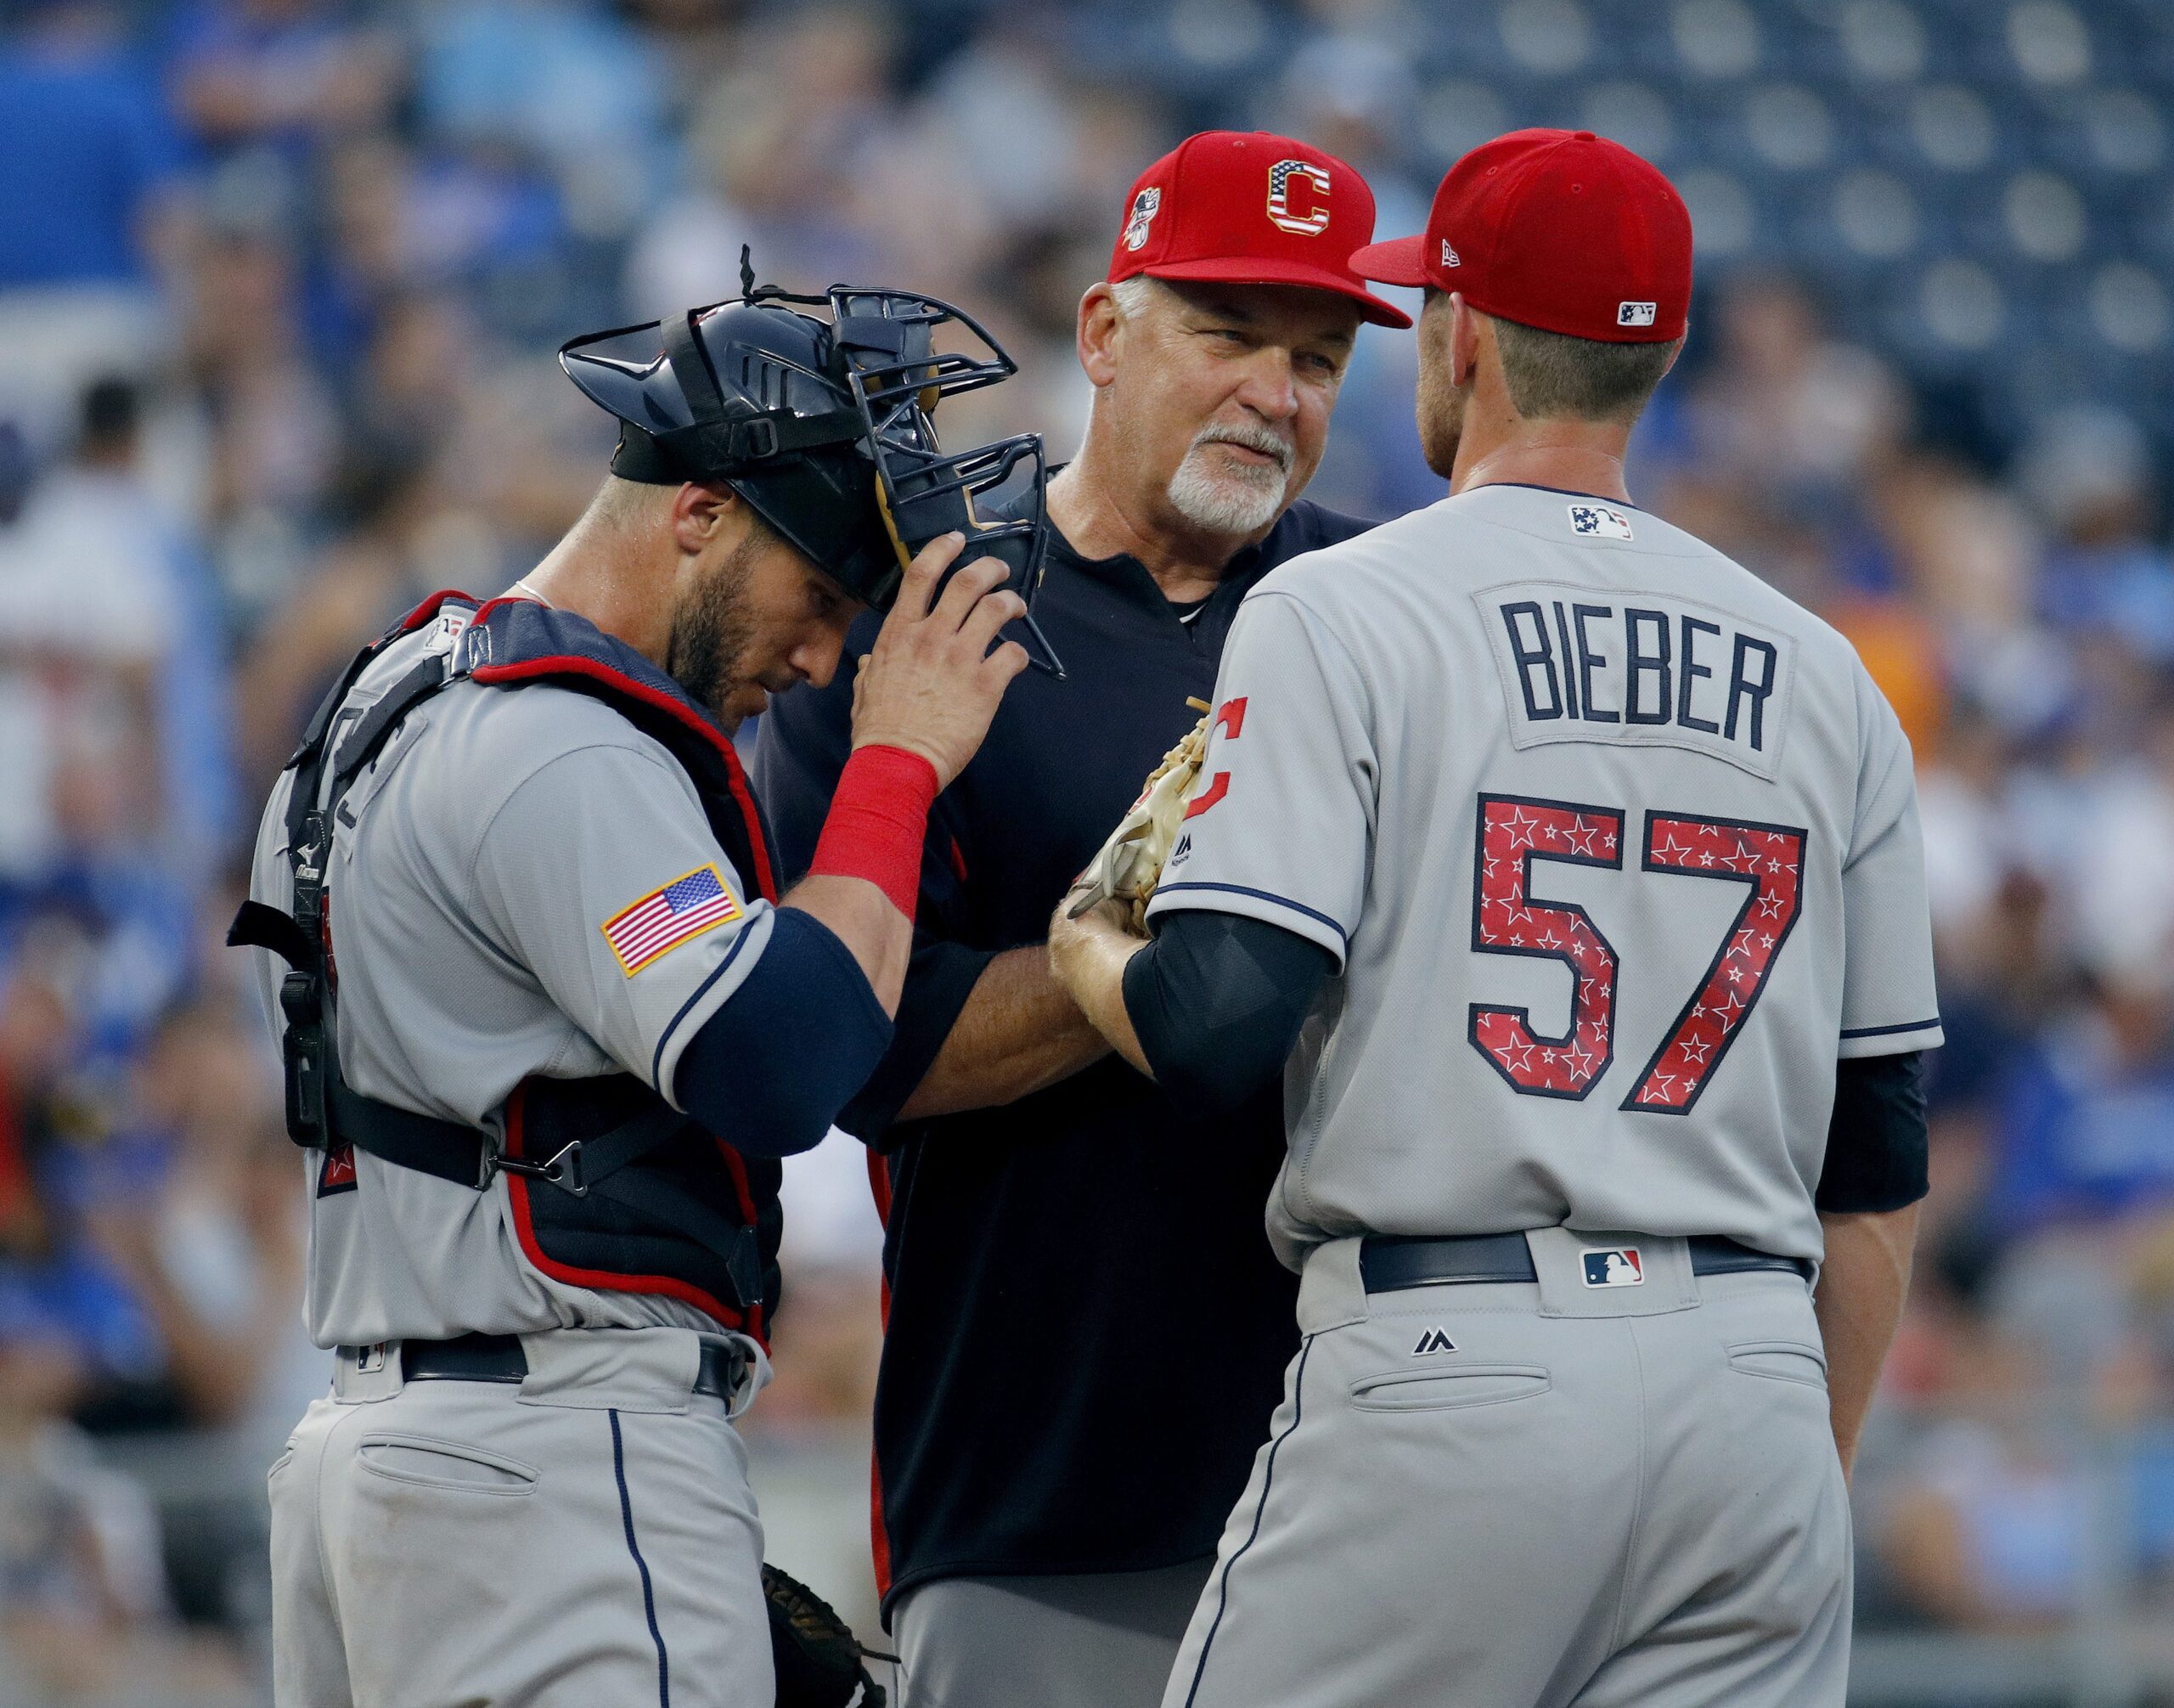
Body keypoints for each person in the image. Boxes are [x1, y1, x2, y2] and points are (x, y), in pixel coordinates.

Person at [1048, 128, 1939, 1708]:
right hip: (1753, 1388)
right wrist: (1795, 1469)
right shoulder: (1828, 670)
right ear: (1655, 358)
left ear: (1459, 339)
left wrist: (1087, 948)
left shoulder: (1345, 601)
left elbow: (1215, 1025)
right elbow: (1873, 1166)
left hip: (1462, 1353)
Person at [234, 276, 1039, 1707]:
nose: (818, 661)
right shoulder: (557, 747)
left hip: (400, 1460)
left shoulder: (393, 696)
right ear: (699, 512)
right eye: (822, 598)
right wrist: (897, 760)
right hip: (541, 1465)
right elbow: (779, 1062)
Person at [755, 131, 1407, 1708]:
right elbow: (857, 1053)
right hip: (1037, 1482)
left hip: (1369, 1487)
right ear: (1106, 335)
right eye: (1230, 335)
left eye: (1318, 359)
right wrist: (1165, 964)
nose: (1278, 392)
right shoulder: (933, 616)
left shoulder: (1390, 618)